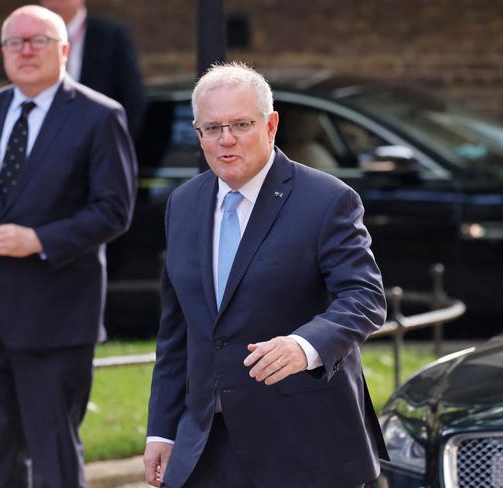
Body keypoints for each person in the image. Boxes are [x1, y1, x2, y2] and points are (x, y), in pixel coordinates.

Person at [144, 63, 388, 488]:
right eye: (212, 128)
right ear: (197, 132)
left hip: (303, 443)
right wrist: (163, 429)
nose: (226, 140)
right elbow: (177, 330)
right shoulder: (183, 203)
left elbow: (364, 297)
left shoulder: (327, 199)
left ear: (271, 124)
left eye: (241, 124)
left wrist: (305, 344)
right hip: (206, 445)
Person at [0, 5, 137, 487]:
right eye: (15, 42)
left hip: (56, 319)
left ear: (64, 49)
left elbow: (114, 210)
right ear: (3, 52)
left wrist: (39, 240)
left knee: (54, 457)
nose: (26, 50)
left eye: (38, 40)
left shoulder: (98, 115)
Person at [40, 0, 145, 137]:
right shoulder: (33, 39)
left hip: (98, 140)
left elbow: (133, 98)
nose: (53, 3)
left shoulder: (111, 36)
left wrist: (113, 143)